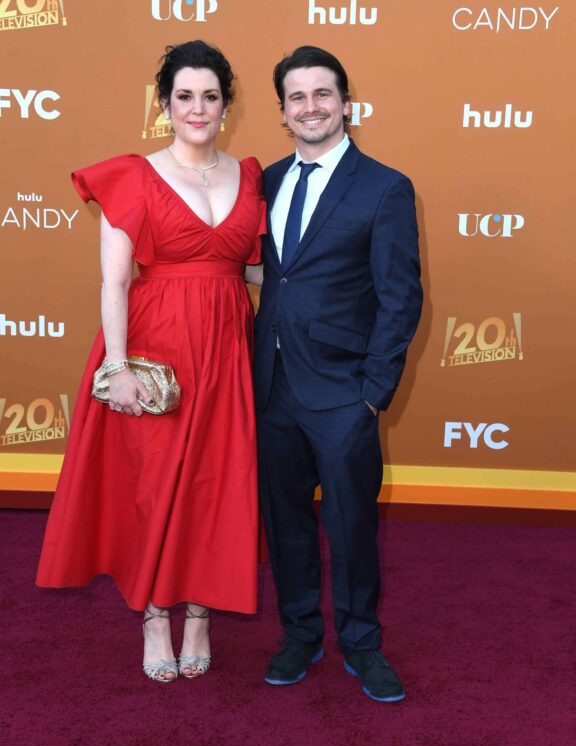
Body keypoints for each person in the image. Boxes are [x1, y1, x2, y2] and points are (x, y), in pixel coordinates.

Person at [36, 40, 265, 683]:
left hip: (227, 348)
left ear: (227, 104)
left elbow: (249, 264)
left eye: (210, 96)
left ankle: (200, 612)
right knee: (157, 484)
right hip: (155, 348)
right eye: (184, 96)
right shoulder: (132, 174)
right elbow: (114, 282)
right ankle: (154, 616)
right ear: (165, 105)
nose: (198, 108)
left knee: (217, 481)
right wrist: (118, 368)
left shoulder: (250, 176)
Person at [254, 46, 422, 702]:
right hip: (271, 389)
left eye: (323, 94)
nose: (311, 107)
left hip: (345, 394)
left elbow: (400, 296)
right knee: (286, 521)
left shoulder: (385, 186)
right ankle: (299, 632)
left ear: (345, 103)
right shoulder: (263, 181)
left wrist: (373, 394)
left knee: (351, 526)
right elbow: (271, 275)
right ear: (283, 111)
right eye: (297, 98)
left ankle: (360, 641)